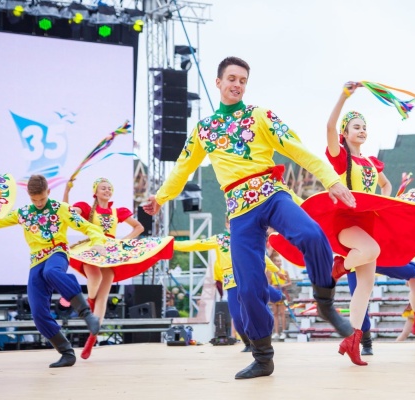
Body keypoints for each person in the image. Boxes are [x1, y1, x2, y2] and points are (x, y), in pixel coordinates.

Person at [143, 56, 357, 379]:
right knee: (248, 289)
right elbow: (182, 169)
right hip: (239, 211)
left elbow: (297, 149)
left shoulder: (260, 116)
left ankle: (324, 301)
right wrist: (160, 198)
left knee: (312, 235)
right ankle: (263, 357)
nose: (237, 85)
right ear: (218, 82)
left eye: (242, 81)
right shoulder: (204, 130)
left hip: (271, 194)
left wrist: (331, 180)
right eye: (232, 79)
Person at [322, 82, 415, 366]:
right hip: (347, 223)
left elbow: (386, 184)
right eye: (356, 127)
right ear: (345, 133)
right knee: (372, 251)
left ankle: (353, 340)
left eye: (364, 127)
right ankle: (339, 266)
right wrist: (343, 96)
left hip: (367, 224)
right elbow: (330, 127)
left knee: (365, 287)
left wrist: (384, 203)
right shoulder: (342, 159)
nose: (361, 131)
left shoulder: (371, 163)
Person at [0, 174, 105, 368]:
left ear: (48, 191)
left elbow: (89, 228)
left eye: (42, 199)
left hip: (57, 253)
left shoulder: (60, 208)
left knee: (51, 272)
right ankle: (67, 353)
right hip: (36, 262)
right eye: (34, 200)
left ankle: (86, 313)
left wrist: (97, 242)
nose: (38, 203)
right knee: (38, 314)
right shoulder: (23, 213)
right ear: (29, 196)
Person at [64, 177, 174, 360]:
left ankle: (91, 339)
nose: (107, 190)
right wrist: (67, 191)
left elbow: (138, 227)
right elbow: (66, 212)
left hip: (110, 251)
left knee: (103, 295)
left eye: (109, 188)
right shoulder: (86, 208)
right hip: (92, 247)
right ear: (95, 192)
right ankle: (89, 303)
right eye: (103, 188)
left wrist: (122, 242)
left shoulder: (117, 211)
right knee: (95, 278)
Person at [173, 219, 287, 352]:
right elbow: (195, 244)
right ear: (227, 224)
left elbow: (262, 256)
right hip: (231, 281)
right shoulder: (220, 240)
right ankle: (248, 343)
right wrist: (172, 244)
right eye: (231, 222)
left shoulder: (247, 238)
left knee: (259, 295)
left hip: (247, 275)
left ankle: (277, 296)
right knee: (237, 317)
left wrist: (277, 271)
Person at [267, 251, 292, 340]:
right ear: (273, 262)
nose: (279, 263)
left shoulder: (284, 271)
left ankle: (284, 331)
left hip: (282, 292)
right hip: (274, 292)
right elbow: (268, 283)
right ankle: (276, 332)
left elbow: (290, 282)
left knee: (282, 313)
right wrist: (272, 286)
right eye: (277, 261)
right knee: (275, 313)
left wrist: (282, 285)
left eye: (280, 261)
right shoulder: (271, 272)